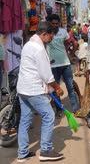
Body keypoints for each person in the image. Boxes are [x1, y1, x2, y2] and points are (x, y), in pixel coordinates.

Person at [17, 22, 64, 162]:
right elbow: (47, 75)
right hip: (33, 89)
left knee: (24, 120)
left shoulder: (28, 45)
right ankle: (46, 150)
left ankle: (22, 153)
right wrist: (57, 87)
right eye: (50, 37)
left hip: (23, 89)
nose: (51, 40)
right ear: (44, 34)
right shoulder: (38, 48)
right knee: (49, 116)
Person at [46, 14, 81, 118]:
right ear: (49, 24)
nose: (55, 25)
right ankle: (59, 110)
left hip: (65, 64)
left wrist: (71, 54)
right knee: (56, 89)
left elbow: (74, 43)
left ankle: (76, 109)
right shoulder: (46, 34)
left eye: (57, 23)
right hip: (53, 66)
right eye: (53, 24)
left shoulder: (63, 32)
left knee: (70, 87)